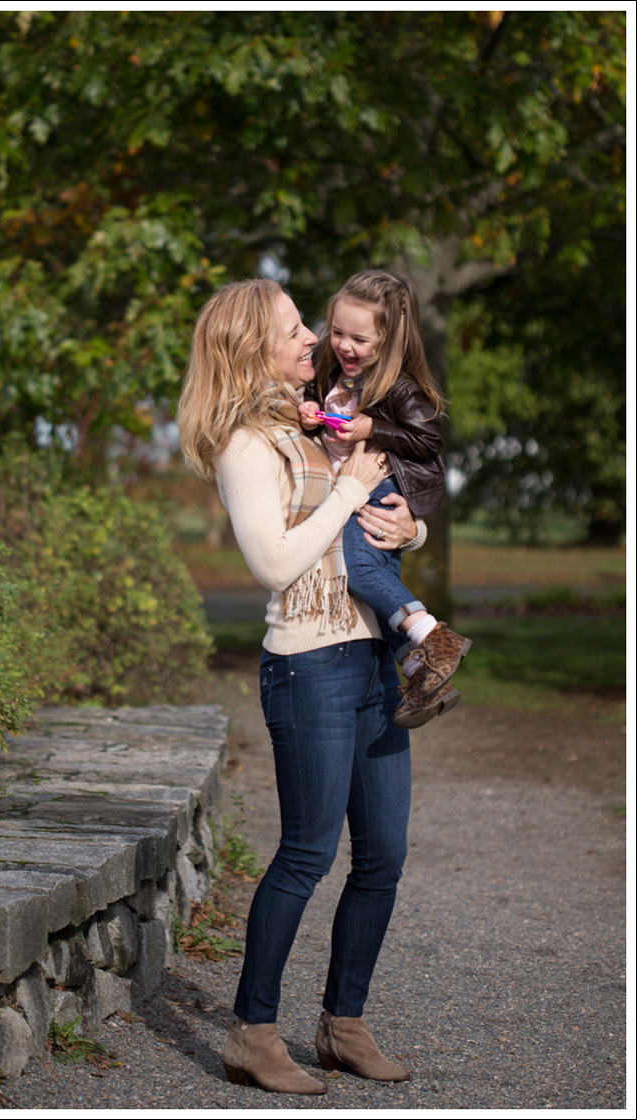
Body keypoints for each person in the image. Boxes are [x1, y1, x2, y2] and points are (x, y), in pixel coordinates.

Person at [177, 278, 422, 1095]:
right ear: (254, 348)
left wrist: (405, 525)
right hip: (309, 665)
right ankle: (253, 1032)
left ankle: (343, 1025)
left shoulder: (311, 419)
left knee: (383, 856)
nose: (313, 337)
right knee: (308, 854)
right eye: (293, 329)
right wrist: (350, 491)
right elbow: (276, 565)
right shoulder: (247, 443)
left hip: (369, 660)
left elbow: (369, 520)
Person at [297, 270, 471, 728]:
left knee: (359, 571)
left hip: (379, 484)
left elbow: (426, 440)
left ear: (389, 340)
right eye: (336, 332)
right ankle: (424, 675)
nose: (344, 346)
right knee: (377, 593)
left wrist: (374, 428)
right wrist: (309, 413)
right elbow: (320, 413)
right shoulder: (331, 374)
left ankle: (434, 637)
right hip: (352, 487)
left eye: (360, 339)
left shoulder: (399, 387)